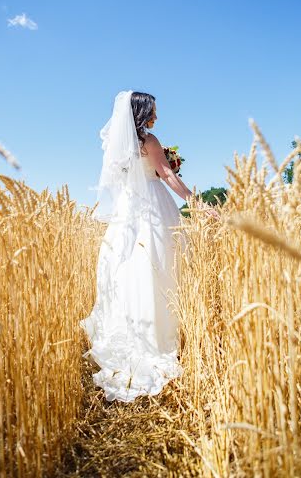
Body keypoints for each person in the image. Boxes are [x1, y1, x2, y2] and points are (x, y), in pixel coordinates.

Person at [80, 90, 196, 402]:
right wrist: (194, 200)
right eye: (153, 112)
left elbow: (122, 180)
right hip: (154, 207)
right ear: (142, 113)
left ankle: (133, 334)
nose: (156, 117)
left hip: (128, 212)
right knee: (160, 267)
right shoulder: (150, 141)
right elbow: (167, 175)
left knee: (128, 270)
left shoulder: (118, 147)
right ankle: (158, 339)